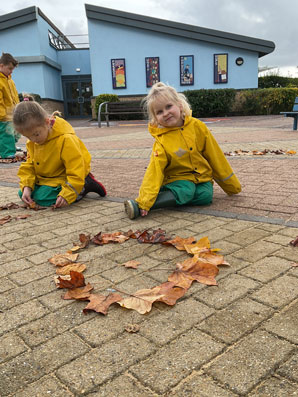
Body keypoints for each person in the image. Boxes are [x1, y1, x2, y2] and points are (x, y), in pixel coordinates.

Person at [124, 82, 241, 219]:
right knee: (186, 190)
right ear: (156, 119)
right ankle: (141, 205)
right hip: (176, 178)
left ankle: (172, 196)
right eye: (159, 112)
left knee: (206, 196)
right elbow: (154, 171)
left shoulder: (198, 127)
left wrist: (232, 186)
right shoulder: (162, 140)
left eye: (168, 107)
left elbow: (215, 156)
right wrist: (144, 201)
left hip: (201, 177)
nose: (166, 113)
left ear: (179, 105)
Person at [13, 101, 106, 208]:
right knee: (23, 193)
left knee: (42, 198)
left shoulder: (66, 139)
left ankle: (86, 184)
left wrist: (68, 193)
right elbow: (29, 165)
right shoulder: (33, 141)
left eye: (36, 134)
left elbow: (76, 169)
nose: (33, 140)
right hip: (48, 179)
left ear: (47, 122)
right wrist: (27, 186)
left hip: (65, 178)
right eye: (28, 137)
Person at [0, 52, 20, 158]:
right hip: (3, 115)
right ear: (1, 65)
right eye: (9, 68)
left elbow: (15, 96)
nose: (11, 71)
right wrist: (2, 115)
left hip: (12, 113)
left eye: (12, 69)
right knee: (6, 134)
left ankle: (10, 146)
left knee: (15, 132)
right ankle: (7, 152)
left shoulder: (10, 80)